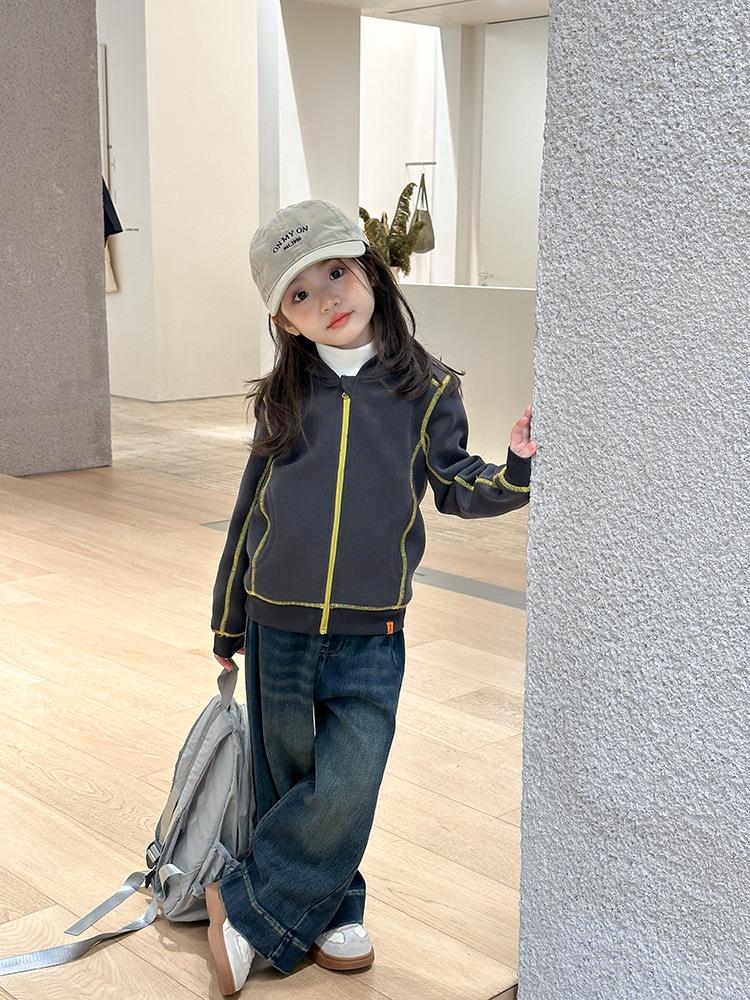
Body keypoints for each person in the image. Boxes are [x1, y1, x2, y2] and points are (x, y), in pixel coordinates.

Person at [203, 198, 537, 994]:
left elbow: (457, 487)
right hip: (277, 622)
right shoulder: (285, 397)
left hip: (372, 631)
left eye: (336, 273)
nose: (327, 299)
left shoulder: (428, 390)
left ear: (371, 272)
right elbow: (250, 512)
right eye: (300, 293)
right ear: (284, 322)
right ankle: (334, 910)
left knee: (349, 781)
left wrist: (519, 469)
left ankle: (245, 908)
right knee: (290, 781)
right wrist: (227, 619)